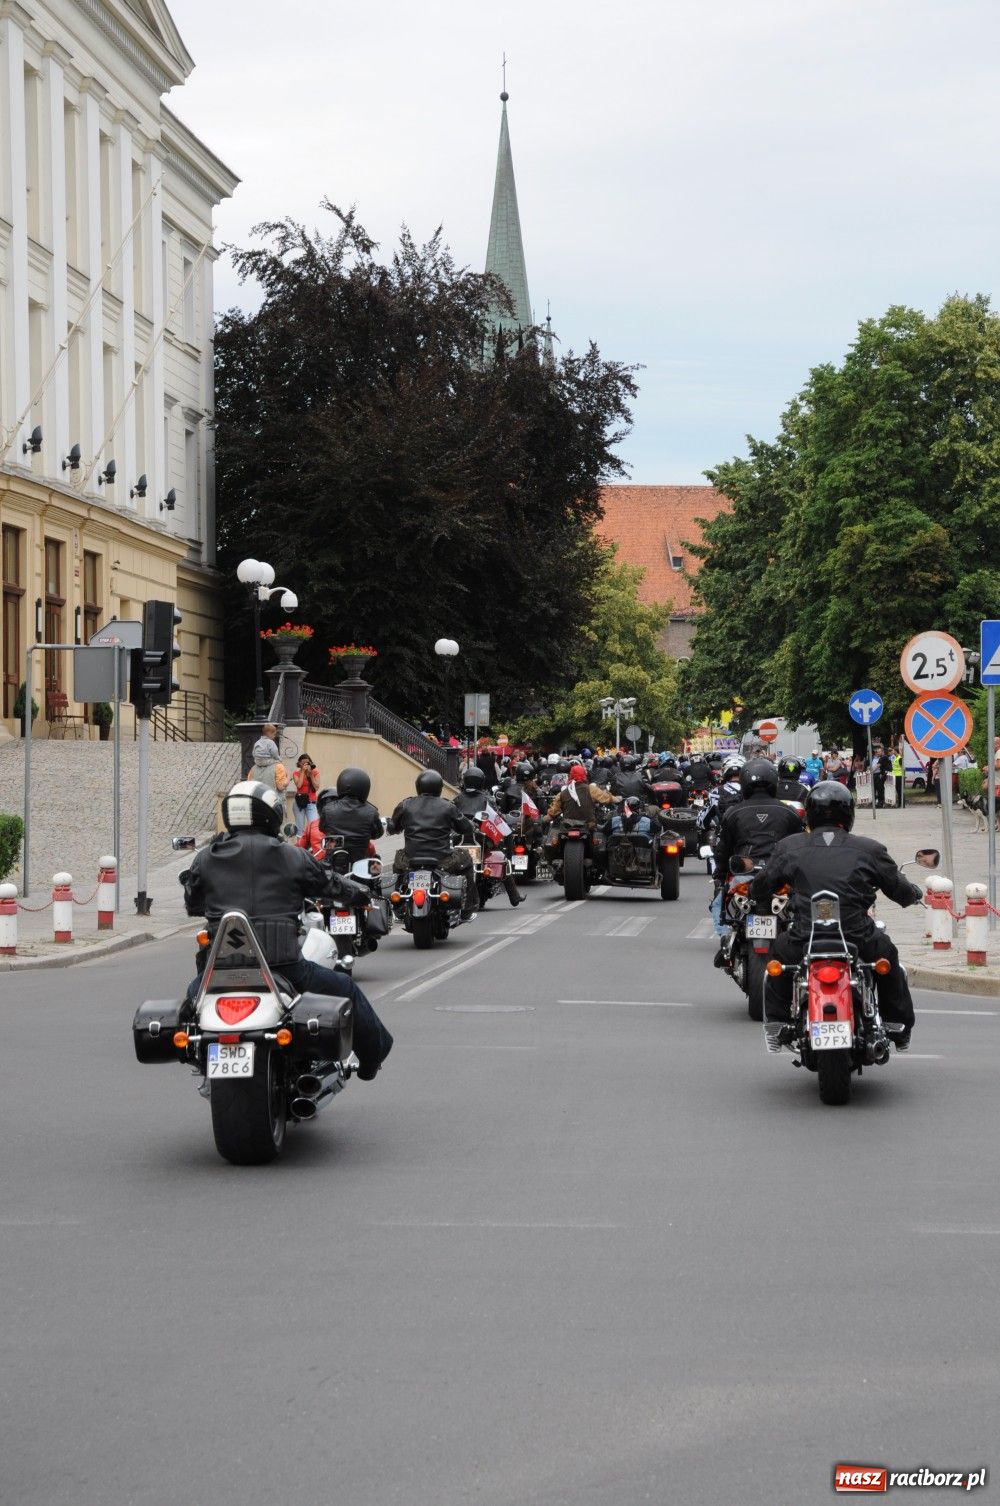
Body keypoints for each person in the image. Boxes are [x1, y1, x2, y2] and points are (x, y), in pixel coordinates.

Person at [180, 781, 392, 1080]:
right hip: (286, 968)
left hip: (222, 972)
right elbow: (331, 885)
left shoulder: (206, 857)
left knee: (192, 1000)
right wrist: (359, 894)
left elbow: (193, 904)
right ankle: (370, 1061)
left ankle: (204, 1061)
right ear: (272, 815)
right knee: (345, 988)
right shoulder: (292, 856)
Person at [751, 780, 923, 1054]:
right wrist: (913, 894)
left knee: (777, 961)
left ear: (809, 813)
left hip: (805, 936)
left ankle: (778, 1023)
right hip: (858, 935)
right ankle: (897, 1025)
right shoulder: (870, 849)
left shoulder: (789, 846)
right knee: (888, 959)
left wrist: (758, 894)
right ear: (849, 814)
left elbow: (762, 884)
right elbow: (898, 890)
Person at [712, 759, 805, 967]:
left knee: (720, 904)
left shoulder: (732, 813)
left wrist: (719, 876)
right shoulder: (789, 812)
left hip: (744, 876)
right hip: (781, 877)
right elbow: (801, 847)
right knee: (799, 909)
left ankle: (725, 941)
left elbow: (721, 850)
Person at [388, 769, 478, 917]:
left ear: (418, 786)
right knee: (466, 857)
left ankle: (398, 904)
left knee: (398, 861)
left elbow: (393, 827)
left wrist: (394, 828)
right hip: (442, 860)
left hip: (411, 860)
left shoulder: (406, 804)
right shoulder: (448, 806)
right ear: (439, 787)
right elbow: (465, 827)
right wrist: (471, 826)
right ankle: (468, 907)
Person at [313, 768, 384, 863]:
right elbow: (377, 834)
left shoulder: (328, 809)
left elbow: (323, 828)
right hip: (359, 864)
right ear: (365, 788)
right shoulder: (371, 811)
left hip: (333, 864)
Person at [546, 762, 615, 825]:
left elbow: (552, 813)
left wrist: (541, 820)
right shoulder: (591, 789)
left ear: (571, 775)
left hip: (567, 826)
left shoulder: (563, 792)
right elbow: (607, 799)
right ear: (584, 775)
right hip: (589, 826)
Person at [249, 723, 287, 793]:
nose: (274, 736)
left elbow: (253, 753)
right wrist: (279, 759)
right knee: (277, 761)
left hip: (257, 761)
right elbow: (274, 752)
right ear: (269, 733)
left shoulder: (257, 742)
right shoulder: (270, 742)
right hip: (266, 761)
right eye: (274, 734)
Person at [291, 754, 320, 835]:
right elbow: (299, 785)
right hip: (299, 803)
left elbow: (317, 787)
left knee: (313, 827)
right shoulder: (296, 773)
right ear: (299, 764)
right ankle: (299, 846)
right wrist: (303, 772)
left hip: (311, 803)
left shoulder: (315, 772)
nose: (305, 765)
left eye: (307, 763)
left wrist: (310, 775)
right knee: (299, 829)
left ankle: (312, 846)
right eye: (303, 763)